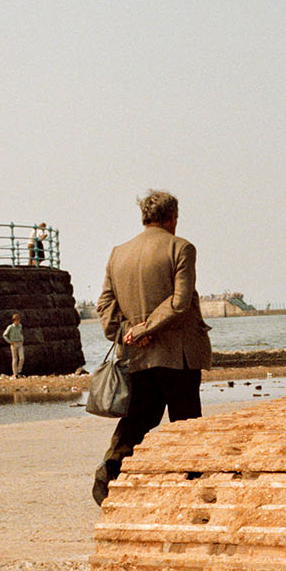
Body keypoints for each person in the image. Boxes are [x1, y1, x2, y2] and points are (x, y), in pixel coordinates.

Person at [91, 190, 212, 504]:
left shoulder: (119, 252)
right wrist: (146, 328)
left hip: (137, 355)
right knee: (186, 419)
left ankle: (109, 471)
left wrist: (130, 332)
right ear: (172, 218)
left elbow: (104, 304)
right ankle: (191, 481)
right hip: (178, 354)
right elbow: (179, 302)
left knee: (138, 417)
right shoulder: (181, 248)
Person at [2, 311, 26, 378]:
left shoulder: (20, 326)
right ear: (14, 321)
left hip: (20, 343)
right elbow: (4, 335)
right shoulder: (10, 327)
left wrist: (22, 340)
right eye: (17, 321)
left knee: (22, 358)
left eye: (19, 320)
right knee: (15, 359)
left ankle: (19, 371)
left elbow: (21, 333)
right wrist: (9, 341)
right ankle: (15, 374)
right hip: (13, 344)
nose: (18, 322)